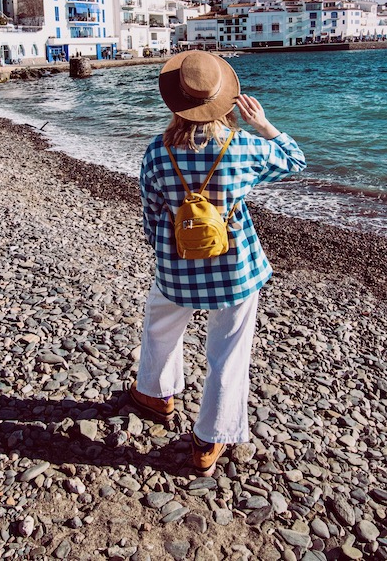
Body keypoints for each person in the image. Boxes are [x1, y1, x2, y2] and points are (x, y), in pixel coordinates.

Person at [129, 51, 306, 477]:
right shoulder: (244, 147)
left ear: (176, 101)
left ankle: (156, 394)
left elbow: (153, 219)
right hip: (236, 269)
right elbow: (296, 162)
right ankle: (210, 439)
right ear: (224, 100)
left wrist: (166, 258)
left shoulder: (157, 153)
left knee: (160, 322)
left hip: (177, 268)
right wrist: (265, 126)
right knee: (229, 352)